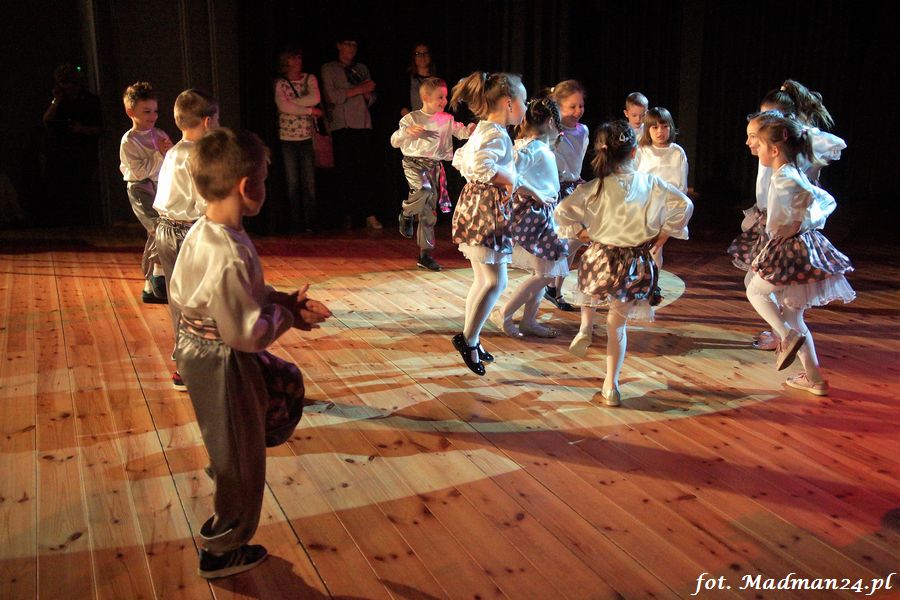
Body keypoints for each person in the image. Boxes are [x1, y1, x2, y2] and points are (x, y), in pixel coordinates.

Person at [170, 127, 332, 578]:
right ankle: (223, 547)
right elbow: (245, 335)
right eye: (263, 179)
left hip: (201, 350)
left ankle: (226, 463)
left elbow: (237, 296)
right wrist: (288, 316)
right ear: (247, 187)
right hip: (222, 358)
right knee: (244, 458)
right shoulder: (229, 253)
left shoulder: (205, 230)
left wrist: (280, 300)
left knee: (240, 427)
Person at [555, 121, 692, 406]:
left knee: (590, 293)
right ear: (633, 152)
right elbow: (685, 205)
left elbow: (562, 211)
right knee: (617, 325)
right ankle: (611, 386)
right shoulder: (651, 183)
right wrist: (663, 234)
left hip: (600, 257)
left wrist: (580, 232)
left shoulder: (594, 187)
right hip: (634, 262)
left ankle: (584, 328)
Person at [746, 115, 854, 396]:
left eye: (758, 142)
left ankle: (786, 336)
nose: (751, 145)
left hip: (790, 249)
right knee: (794, 315)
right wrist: (803, 222)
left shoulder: (785, 175)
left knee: (755, 291)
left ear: (774, 150)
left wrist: (798, 223)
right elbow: (826, 200)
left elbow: (813, 197)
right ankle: (815, 379)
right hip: (799, 246)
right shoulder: (789, 171)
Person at [449, 71, 527, 376]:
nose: (525, 106)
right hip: (486, 210)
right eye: (522, 100)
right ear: (508, 102)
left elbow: (462, 159)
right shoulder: (495, 133)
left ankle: (472, 337)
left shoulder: (485, 129)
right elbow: (478, 164)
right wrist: (509, 179)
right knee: (495, 282)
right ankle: (468, 339)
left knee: (485, 280)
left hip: (479, 205)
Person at [153, 89, 219, 391]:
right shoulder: (199, 155)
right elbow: (204, 201)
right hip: (187, 232)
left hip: (165, 231)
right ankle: (194, 366)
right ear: (207, 121)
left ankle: (184, 359)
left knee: (178, 298)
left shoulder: (173, 152)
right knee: (199, 299)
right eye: (217, 119)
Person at [490, 97, 568, 338]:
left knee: (544, 272)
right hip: (535, 215)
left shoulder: (535, 147)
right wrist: (534, 193)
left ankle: (529, 321)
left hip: (544, 213)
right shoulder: (532, 149)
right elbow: (511, 177)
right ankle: (504, 313)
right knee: (546, 273)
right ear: (550, 122)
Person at [390, 77, 474, 271]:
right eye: (440, 97)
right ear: (426, 98)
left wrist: (471, 129)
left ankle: (425, 255)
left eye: (445, 97)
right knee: (424, 190)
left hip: (434, 166)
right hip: (414, 163)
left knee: (429, 212)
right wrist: (407, 132)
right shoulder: (412, 119)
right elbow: (394, 141)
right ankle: (406, 213)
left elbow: (462, 132)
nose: (445, 101)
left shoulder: (446, 119)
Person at [119, 81, 173, 304]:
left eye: (155, 111)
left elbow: (169, 161)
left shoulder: (159, 134)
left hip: (160, 188)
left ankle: (150, 285)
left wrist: (169, 153)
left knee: (162, 229)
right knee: (157, 229)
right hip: (140, 190)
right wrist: (159, 154)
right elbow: (139, 172)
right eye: (146, 111)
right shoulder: (129, 141)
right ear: (130, 112)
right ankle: (156, 274)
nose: (153, 116)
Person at [321, 35, 382, 230]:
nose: (351, 48)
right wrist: (359, 89)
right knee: (345, 173)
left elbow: (371, 97)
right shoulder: (329, 68)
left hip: (362, 123)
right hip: (342, 125)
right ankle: (346, 215)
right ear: (339, 45)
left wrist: (367, 93)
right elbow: (332, 96)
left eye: (354, 44)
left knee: (365, 172)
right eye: (347, 44)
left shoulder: (361, 68)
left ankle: (369, 214)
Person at [635, 106, 689, 306]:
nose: (660, 131)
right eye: (655, 127)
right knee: (639, 248)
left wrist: (676, 210)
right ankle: (639, 281)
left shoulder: (677, 152)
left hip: (666, 208)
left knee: (656, 249)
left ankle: (653, 282)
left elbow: (681, 185)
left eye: (664, 126)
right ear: (647, 129)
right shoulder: (642, 150)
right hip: (644, 207)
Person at [545, 80, 589, 312]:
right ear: (558, 105)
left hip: (573, 190)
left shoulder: (583, 131)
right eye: (572, 106)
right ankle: (549, 285)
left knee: (575, 240)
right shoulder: (551, 131)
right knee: (563, 241)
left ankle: (554, 288)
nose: (578, 111)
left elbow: (577, 162)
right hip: (554, 191)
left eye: (580, 105)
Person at [41, 63, 102, 225]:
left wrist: (81, 129)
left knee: (80, 193)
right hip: (59, 154)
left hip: (81, 154)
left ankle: (83, 224)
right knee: (59, 194)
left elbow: (100, 129)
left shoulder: (90, 101)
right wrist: (57, 100)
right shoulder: (59, 102)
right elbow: (47, 120)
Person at [274, 48, 324, 232]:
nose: (298, 61)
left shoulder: (309, 78)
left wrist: (291, 104)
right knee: (292, 183)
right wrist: (309, 110)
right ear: (286, 61)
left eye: (299, 57)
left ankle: (310, 223)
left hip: (307, 136)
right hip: (287, 137)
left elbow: (315, 97)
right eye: (293, 58)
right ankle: (296, 223)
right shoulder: (280, 83)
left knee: (309, 182)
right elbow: (282, 105)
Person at [400, 43, 436, 117]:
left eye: (425, 53)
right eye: (418, 54)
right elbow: (401, 105)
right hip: (413, 121)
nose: (422, 56)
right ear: (414, 57)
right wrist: (413, 120)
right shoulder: (406, 79)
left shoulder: (437, 79)